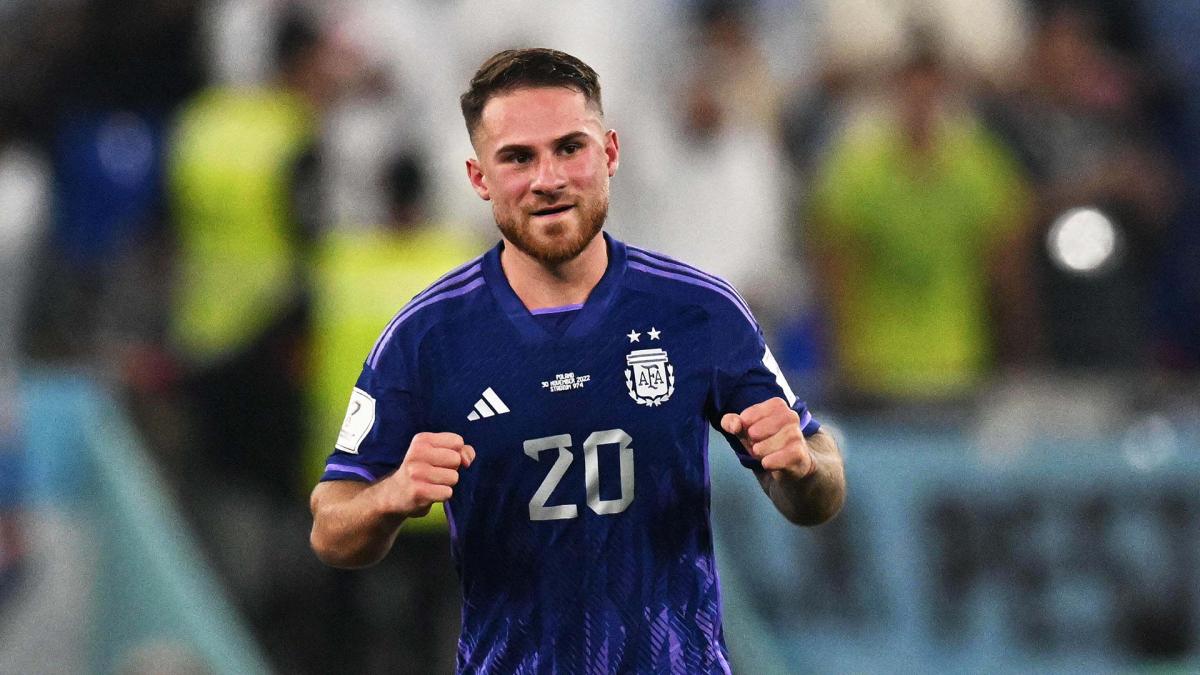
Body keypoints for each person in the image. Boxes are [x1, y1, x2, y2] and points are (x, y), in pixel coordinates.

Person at [309, 48, 845, 674]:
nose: (549, 179)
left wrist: (801, 467)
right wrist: (390, 496)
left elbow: (819, 490)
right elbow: (331, 527)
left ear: (610, 153)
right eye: (518, 157)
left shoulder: (699, 311)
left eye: (570, 148)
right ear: (479, 177)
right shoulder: (426, 337)